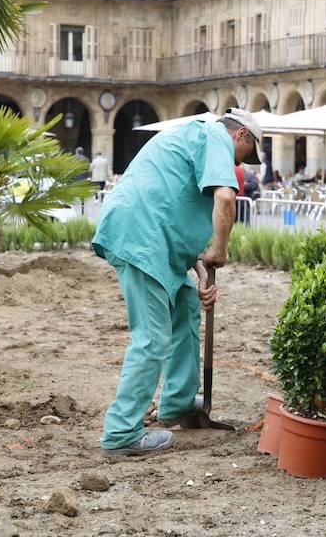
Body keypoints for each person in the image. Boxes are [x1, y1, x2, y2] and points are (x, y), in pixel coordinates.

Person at [91, 108, 263, 456]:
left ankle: (178, 403)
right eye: (247, 155)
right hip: (142, 240)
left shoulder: (193, 139)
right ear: (241, 135)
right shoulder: (215, 135)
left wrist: (200, 274)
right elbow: (226, 199)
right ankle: (122, 432)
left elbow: (175, 211)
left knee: (186, 307)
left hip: (159, 244)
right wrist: (220, 249)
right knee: (152, 337)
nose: (241, 164)